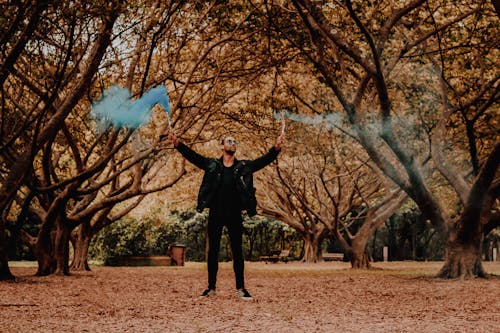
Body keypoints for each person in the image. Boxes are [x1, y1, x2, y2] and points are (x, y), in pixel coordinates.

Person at [167, 131, 285, 300]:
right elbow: (193, 157)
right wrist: (177, 143)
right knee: (213, 252)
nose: (232, 143)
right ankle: (211, 288)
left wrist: (276, 148)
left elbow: (263, 161)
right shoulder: (212, 165)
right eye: (229, 141)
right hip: (216, 213)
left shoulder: (243, 166)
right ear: (222, 146)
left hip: (235, 214)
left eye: (234, 141)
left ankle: (241, 288)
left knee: (237, 252)